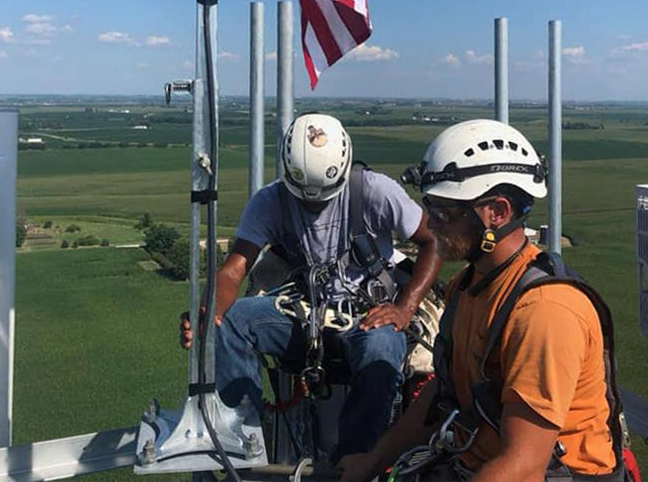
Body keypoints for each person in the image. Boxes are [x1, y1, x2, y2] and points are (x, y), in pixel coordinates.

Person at [339, 119, 627, 482]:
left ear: (498, 213)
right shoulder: (469, 284)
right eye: (431, 208)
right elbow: (440, 395)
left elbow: (523, 466)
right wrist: (372, 460)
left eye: (444, 213)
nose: (432, 226)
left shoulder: (545, 312)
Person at [181, 112, 441, 461]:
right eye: (304, 199)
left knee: (382, 347)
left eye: (322, 198)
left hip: (366, 313)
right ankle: (245, 443)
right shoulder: (271, 200)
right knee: (232, 322)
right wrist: (210, 310)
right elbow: (235, 268)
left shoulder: (374, 190)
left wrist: (405, 307)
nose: (314, 205)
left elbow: (433, 241)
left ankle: (355, 461)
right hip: (304, 309)